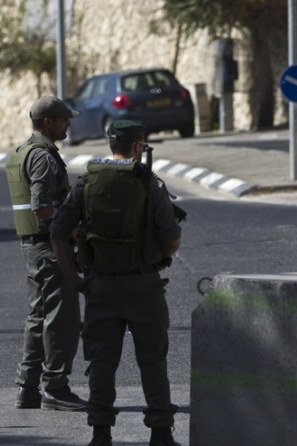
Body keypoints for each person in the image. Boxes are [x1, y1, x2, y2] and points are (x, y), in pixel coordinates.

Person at [50, 120, 182, 446]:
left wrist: (76, 280)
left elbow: (57, 234)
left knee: (101, 363)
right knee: (152, 361)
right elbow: (172, 241)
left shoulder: (85, 182)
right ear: (137, 147)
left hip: (101, 287)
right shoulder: (149, 183)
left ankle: (100, 433)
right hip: (144, 285)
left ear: (112, 145)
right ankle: (161, 433)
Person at [6, 96, 86, 411]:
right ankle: (55, 387)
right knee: (61, 319)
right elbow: (41, 206)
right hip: (50, 248)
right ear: (48, 122)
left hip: (34, 247)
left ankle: (28, 389)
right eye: (65, 120)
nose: (68, 125)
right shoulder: (43, 157)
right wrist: (69, 232)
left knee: (39, 317)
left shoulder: (22, 152)